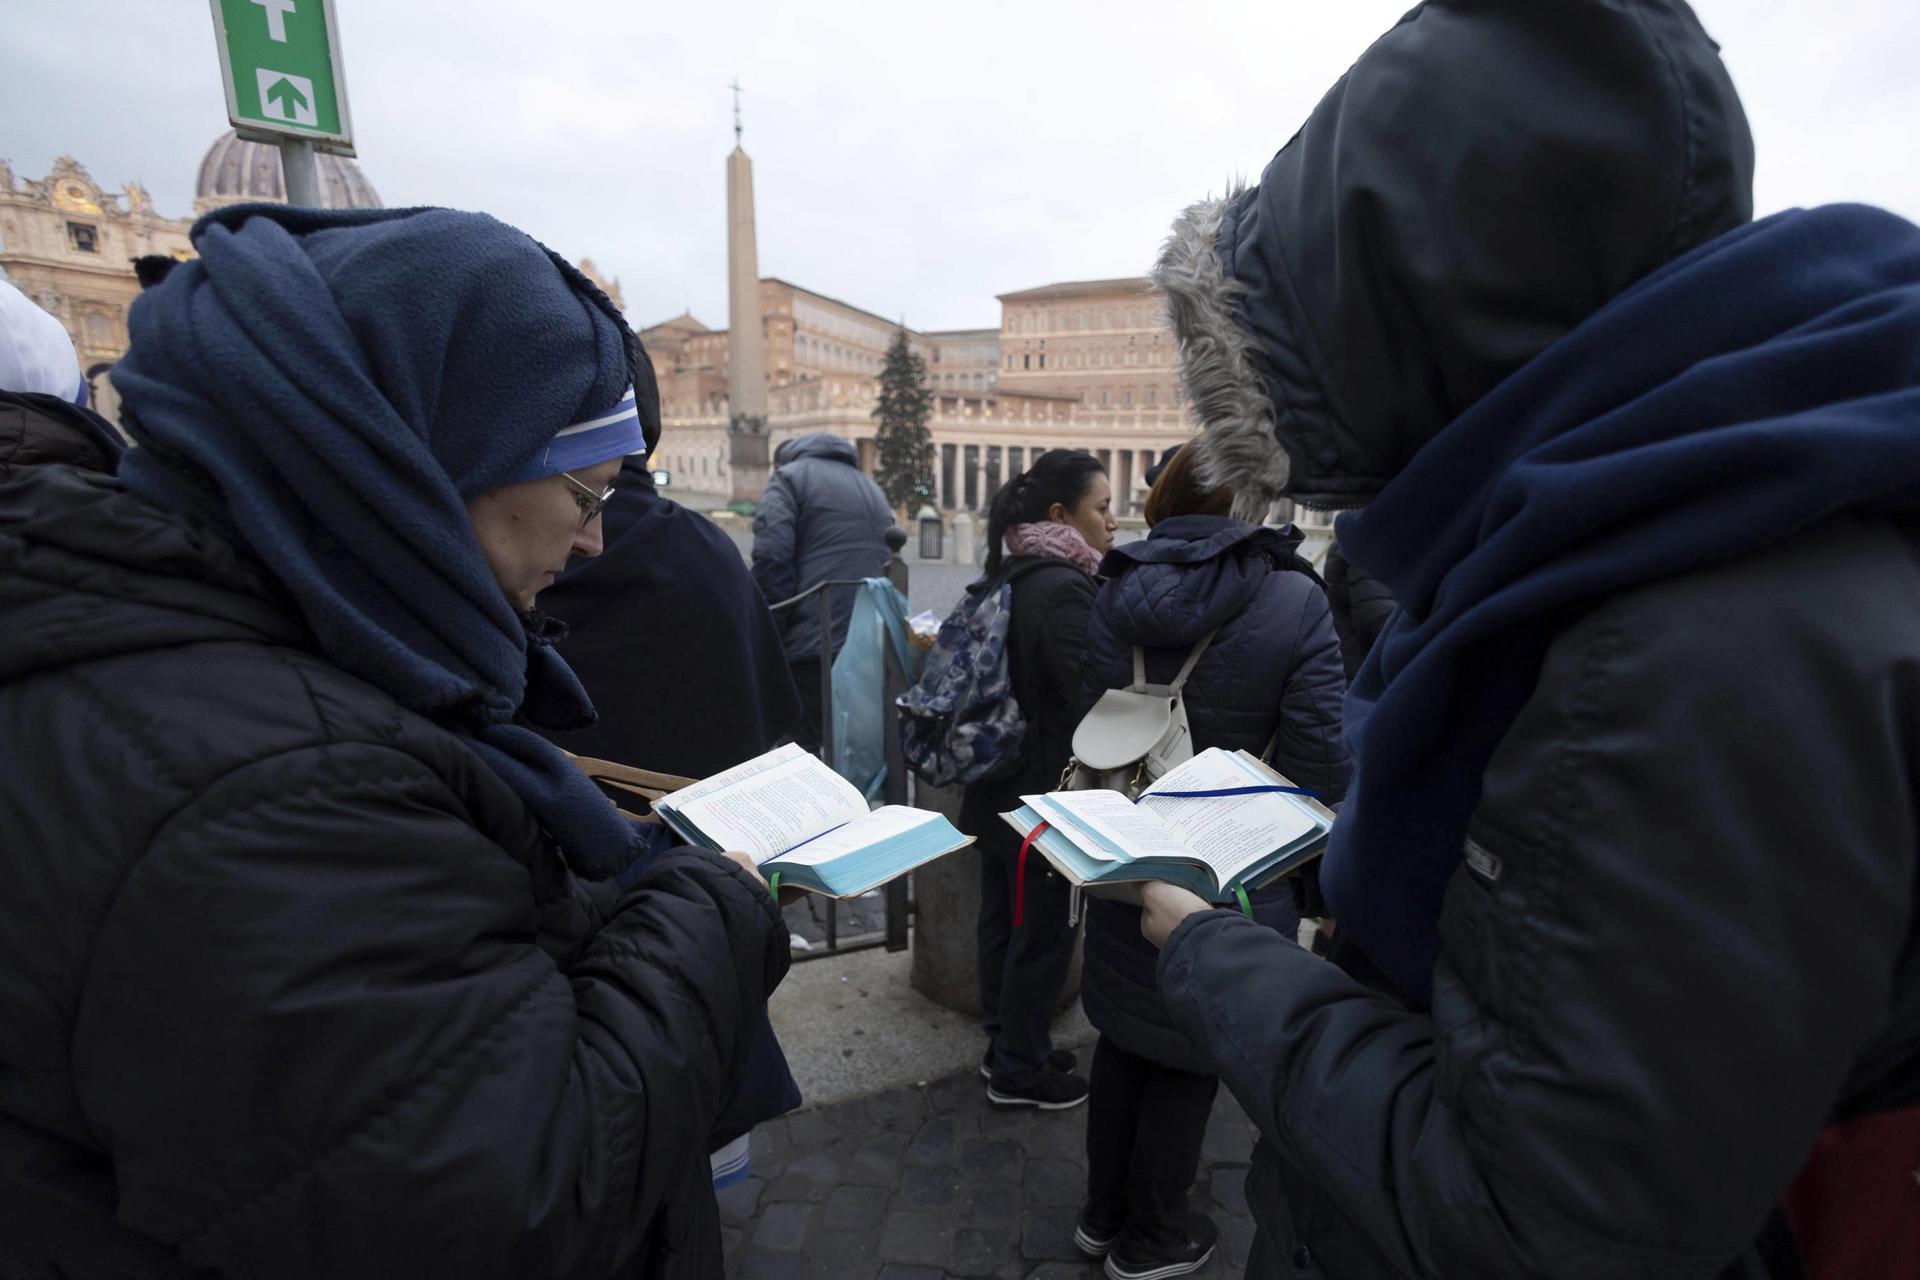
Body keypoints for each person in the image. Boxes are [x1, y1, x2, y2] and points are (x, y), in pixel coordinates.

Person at [1140, 2, 1920, 1277]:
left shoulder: (1675, 653)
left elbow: (1539, 1223)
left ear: (1406, 323)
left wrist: (1224, 960)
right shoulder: (1723, 521)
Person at [0, 203, 790, 1278]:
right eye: (584, 489)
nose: (596, 534)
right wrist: (711, 907)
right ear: (429, 453)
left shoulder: (230, 664)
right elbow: (514, 1202)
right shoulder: (285, 789)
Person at [1071, 442, 1351, 1279]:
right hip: (1232, 860)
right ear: (1253, 503)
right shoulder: (1295, 600)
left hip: (1124, 840)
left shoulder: (1110, 583)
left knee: (1122, 1035)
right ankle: (1153, 1237)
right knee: (1191, 1048)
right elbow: (1320, 762)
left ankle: (1101, 1215)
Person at [961, 448, 1117, 1109]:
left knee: (1003, 925)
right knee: (1044, 938)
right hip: (1045, 801)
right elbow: (1089, 700)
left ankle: (1004, 1049)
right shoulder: (1063, 590)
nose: (1114, 522)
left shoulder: (1012, 573)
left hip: (997, 791)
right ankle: (1020, 1073)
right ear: (1063, 515)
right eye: (1102, 508)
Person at [539, 454, 801, 782]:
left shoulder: (527, 559)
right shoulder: (708, 547)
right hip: (714, 809)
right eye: (583, 498)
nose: (593, 541)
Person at [750, 431, 893, 752]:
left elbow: (772, 559)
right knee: (848, 748)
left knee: (796, 748)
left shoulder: (788, 479)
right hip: (867, 639)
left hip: (813, 636)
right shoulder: (869, 485)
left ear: (782, 460)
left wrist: (768, 634)